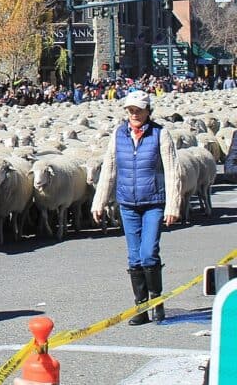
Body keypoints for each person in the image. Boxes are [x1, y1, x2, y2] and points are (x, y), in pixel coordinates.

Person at [91, 90, 181, 326]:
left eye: (139, 110)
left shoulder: (160, 134)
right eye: (131, 110)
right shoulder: (119, 134)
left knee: (149, 253)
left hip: (153, 201)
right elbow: (109, 168)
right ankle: (141, 307)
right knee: (134, 257)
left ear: (148, 111)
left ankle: (156, 301)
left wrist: (173, 205)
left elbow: (172, 171)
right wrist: (99, 201)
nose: (134, 114)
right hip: (128, 203)